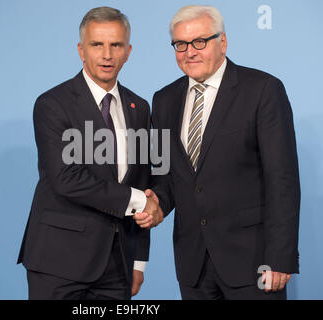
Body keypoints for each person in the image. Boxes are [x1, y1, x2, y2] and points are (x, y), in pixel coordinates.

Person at [135, 5, 300, 300]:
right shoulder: (163, 100)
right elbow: (166, 176)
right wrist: (156, 203)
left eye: (200, 41)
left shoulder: (262, 89)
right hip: (193, 264)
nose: (190, 52)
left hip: (254, 261)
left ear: (222, 42)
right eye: (181, 44)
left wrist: (280, 257)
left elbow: (282, 180)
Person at [17, 6, 160, 300]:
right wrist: (138, 201)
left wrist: (138, 261)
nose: (107, 54)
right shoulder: (52, 104)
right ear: (82, 50)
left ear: (128, 51)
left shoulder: (139, 107)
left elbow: (143, 181)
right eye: (97, 45)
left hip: (117, 265)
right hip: (58, 262)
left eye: (116, 45)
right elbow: (66, 178)